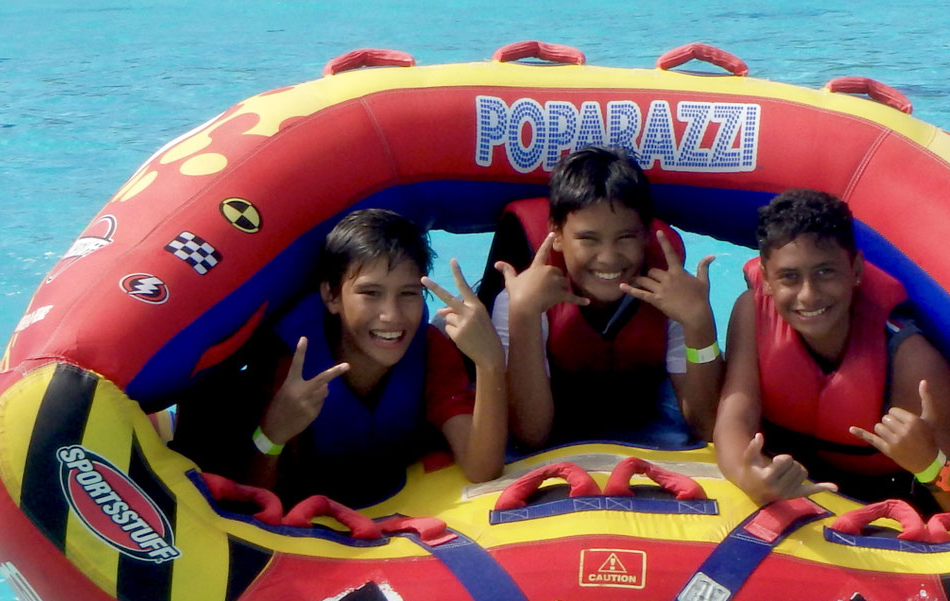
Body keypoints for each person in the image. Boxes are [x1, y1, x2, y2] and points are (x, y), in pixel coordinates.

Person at [173, 209, 506, 507]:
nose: (391, 315)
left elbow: (482, 468)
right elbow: (253, 504)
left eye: (408, 294)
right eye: (370, 294)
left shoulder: (432, 351)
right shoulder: (293, 364)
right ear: (331, 295)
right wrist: (272, 433)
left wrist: (488, 360)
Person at [713, 189, 950, 513]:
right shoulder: (752, 314)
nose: (808, 295)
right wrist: (750, 476)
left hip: (887, 497)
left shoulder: (911, 364)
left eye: (825, 272)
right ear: (766, 279)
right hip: (792, 479)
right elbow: (733, 420)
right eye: (789, 277)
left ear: (856, 270)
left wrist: (930, 466)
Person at [489, 146, 722, 448]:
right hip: (555, 416)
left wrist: (700, 323)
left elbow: (707, 426)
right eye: (588, 239)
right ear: (556, 234)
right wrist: (523, 315)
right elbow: (530, 434)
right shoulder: (519, 301)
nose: (609, 258)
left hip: (645, 411)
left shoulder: (672, 297)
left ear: (647, 234)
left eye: (625, 237)